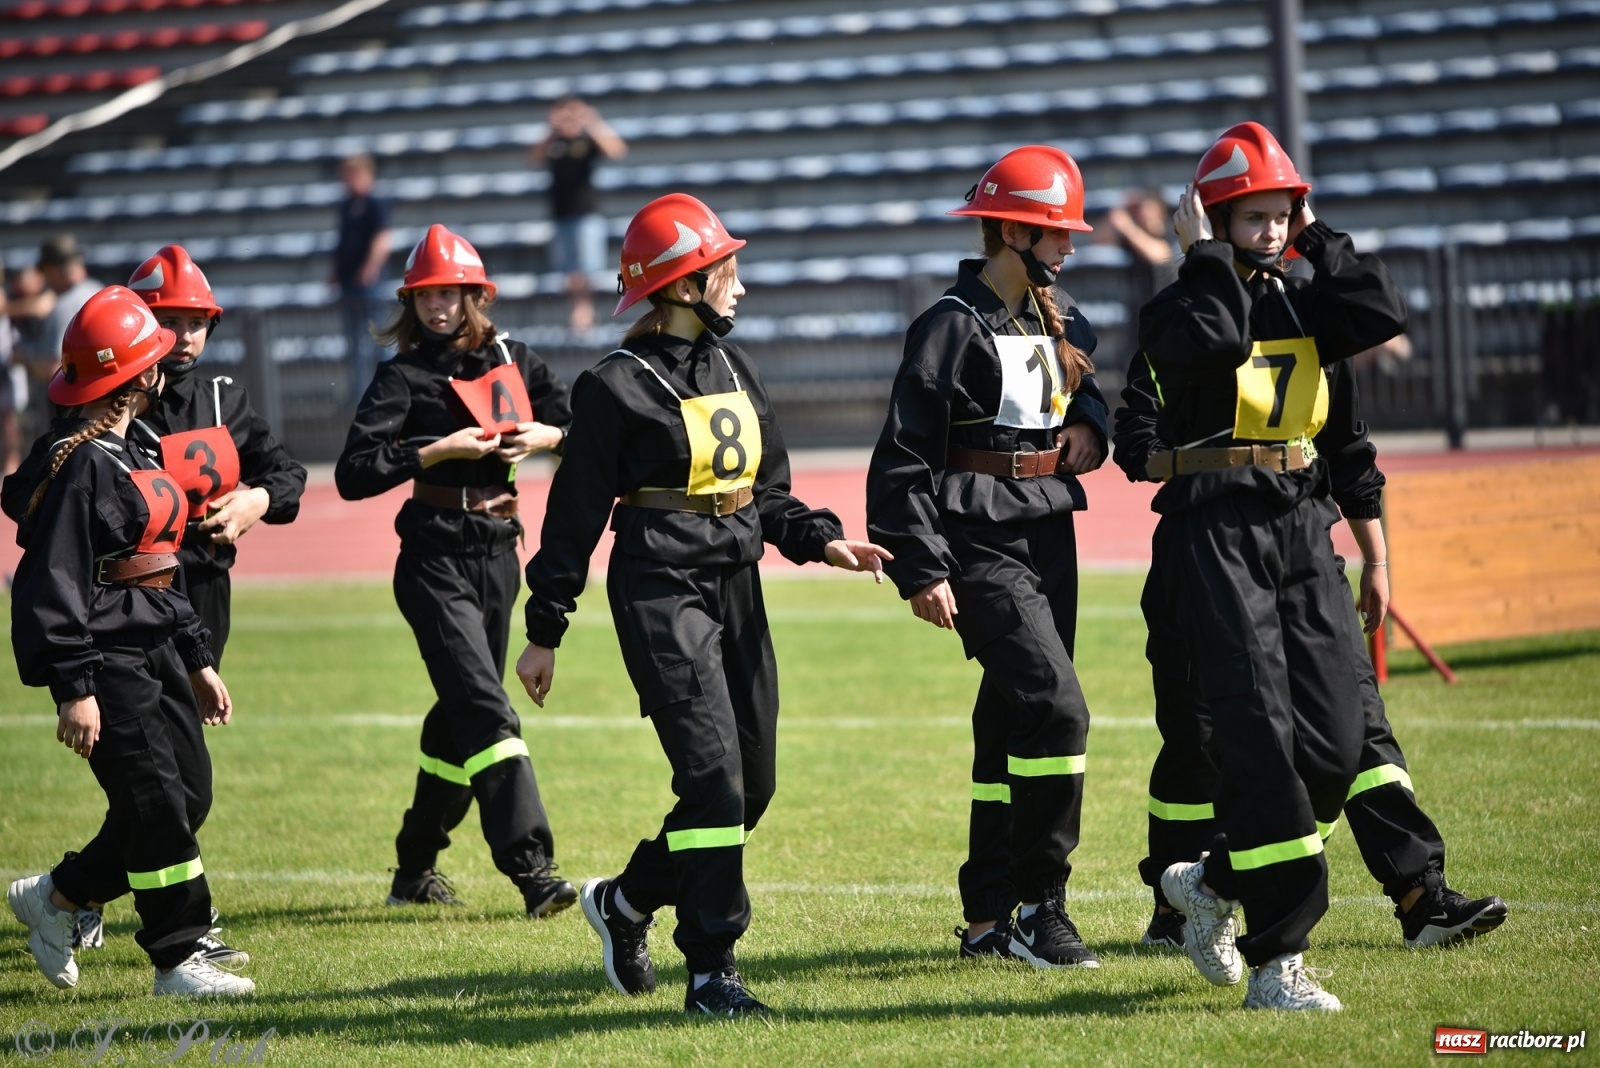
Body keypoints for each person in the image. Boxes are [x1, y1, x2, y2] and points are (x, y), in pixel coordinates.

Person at [516, 193, 890, 1016]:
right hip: (659, 590)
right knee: (714, 780)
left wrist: (822, 539)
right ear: (686, 284)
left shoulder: (733, 367)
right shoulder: (612, 385)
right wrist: (545, 630)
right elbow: (572, 519)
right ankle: (712, 971)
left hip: (736, 587)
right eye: (729, 271)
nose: (740, 288)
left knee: (751, 789)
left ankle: (624, 902)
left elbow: (770, 493)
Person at [1135, 122, 1409, 1011]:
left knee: (1334, 745)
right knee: (1258, 742)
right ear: (1214, 222)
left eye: (1280, 216)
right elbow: (1212, 340)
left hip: (1300, 522)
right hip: (1215, 531)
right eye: (1250, 218)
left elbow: (1378, 312)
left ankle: (1212, 882)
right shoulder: (1180, 302)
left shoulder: (1304, 291)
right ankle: (1277, 963)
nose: (1270, 233)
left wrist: (1318, 233)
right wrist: (1205, 257)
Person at [1113, 345, 1509, 956]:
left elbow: (1350, 448)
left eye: (1287, 241)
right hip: (1205, 552)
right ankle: (1176, 909)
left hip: (1306, 546)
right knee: (1201, 736)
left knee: (1357, 720)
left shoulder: (1314, 325)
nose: (1273, 244)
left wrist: (1376, 558)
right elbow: (1135, 443)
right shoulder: (1183, 326)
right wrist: (1225, 460)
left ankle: (1420, 893)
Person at [865, 146, 1109, 970]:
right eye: (1054, 232)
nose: (1069, 247)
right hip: (980, 539)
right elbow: (901, 461)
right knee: (1060, 709)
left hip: (1051, 528)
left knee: (1008, 720)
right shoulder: (947, 325)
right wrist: (923, 566)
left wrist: (1093, 429)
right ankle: (1045, 908)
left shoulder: (1057, 314)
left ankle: (985, 922)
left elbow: (1089, 391)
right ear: (1010, 231)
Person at [4, 285, 255, 997]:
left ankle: (57, 898)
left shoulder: (129, 447)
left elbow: (157, 570)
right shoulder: (83, 463)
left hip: (156, 651)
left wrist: (199, 659)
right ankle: (179, 958)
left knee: (187, 797)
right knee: (154, 805)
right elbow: (50, 587)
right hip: (108, 662)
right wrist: (74, 688)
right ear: (142, 375)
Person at [335, 224, 576, 919]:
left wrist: (550, 436)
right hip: (433, 557)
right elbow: (353, 474)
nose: (437, 306)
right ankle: (534, 872)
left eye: (450, 293)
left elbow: (584, 428)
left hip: (501, 553)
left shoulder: (517, 359)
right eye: (425, 295)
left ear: (477, 295)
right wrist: (432, 452)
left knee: (459, 719)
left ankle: (414, 867)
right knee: (484, 707)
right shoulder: (402, 376)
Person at [530, 95, 627, 334]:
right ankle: (578, 312)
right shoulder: (554, 142)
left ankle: (584, 312)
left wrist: (591, 122)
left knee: (585, 267)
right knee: (567, 269)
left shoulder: (588, 139)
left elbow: (616, 150)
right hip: (561, 214)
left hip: (586, 213)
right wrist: (552, 130)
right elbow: (534, 158)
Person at [18, 235, 101, 435]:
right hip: (107, 404)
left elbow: (53, 369)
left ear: (53, 271)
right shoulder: (100, 291)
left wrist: (22, 358)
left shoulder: (64, 306)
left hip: (75, 413)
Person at [330, 153, 392, 403]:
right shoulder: (347, 204)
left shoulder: (375, 202)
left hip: (369, 286)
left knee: (378, 338)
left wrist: (370, 266)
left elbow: (383, 238)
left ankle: (388, 387)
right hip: (348, 283)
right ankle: (358, 394)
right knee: (353, 341)